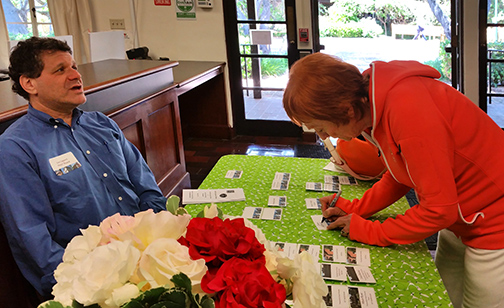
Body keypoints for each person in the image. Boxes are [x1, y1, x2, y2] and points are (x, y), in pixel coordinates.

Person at [282, 52, 504, 308]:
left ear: (348, 111)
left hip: (493, 222)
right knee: (444, 296)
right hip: (462, 215)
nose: (325, 137)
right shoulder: (373, 105)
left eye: (322, 127)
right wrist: (356, 209)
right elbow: (403, 173)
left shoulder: (409, 110)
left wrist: (369, 230)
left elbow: (438, 211)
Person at [0, 37, 167, 298]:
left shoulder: (101, 123)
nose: (76, 75)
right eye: (60, 70)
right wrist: (85, 283)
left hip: (147, 251)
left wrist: (158, 234)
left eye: (74, 67)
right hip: (94, 279)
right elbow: (33, 240)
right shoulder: (15, 147)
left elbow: (146, 185)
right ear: (29, 83)